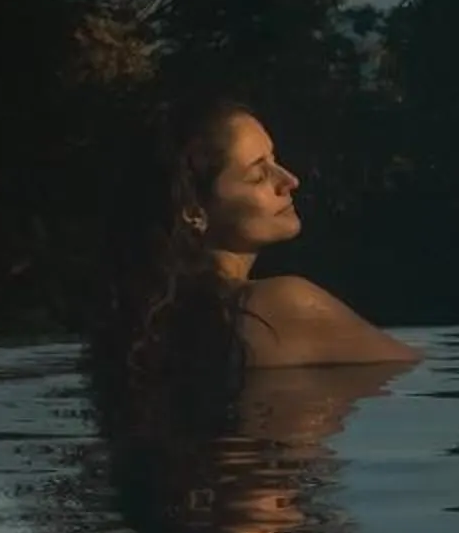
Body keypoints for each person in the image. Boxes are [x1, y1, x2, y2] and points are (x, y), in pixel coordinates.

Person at [88, 94, 419, 422]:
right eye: (259, 175)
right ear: (193, 212)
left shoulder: (147, 328)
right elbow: (415, 379)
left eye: (275, 160)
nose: (289, 180)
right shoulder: (283, 305)